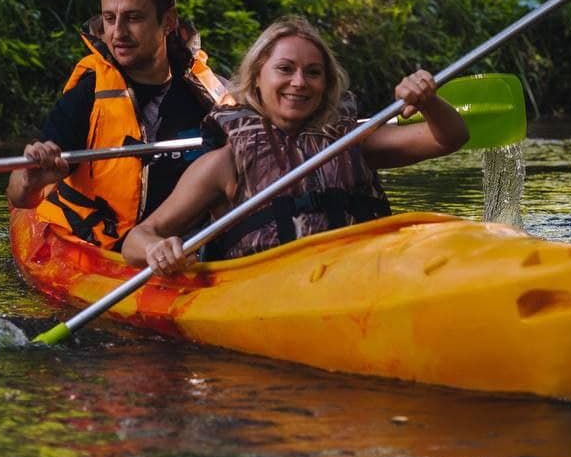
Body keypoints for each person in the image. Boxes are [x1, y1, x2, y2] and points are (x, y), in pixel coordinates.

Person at [122, 16, 468, 274]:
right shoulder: (225, 163)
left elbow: (449, 138)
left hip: (363, 277)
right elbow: (138, 238)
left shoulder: (352, 141)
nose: (299, 82)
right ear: (258, 77)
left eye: (313, 73)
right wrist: (156, 250)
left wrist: (429, 102)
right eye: (285, 69)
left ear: (326, 84)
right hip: (272, 295)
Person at [7, 0, 228, 249]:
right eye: (109, 19)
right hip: (107, 248)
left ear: (169, 21)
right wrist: (29, 180)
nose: (117, 32)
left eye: (133, 18)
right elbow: (20, 197)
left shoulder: (209, 93)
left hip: (194, 244)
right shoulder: (86, 98)